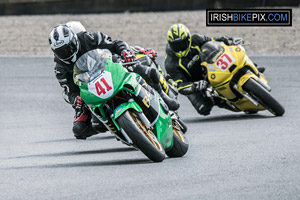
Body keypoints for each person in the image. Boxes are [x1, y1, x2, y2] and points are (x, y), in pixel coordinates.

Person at [49, 21, 178, 139]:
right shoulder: (60, 68)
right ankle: (119, 128)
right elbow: (69, 91)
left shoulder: (89, 38)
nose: (66, 53)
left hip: (110, 68)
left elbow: (115, 44)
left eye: (68, 48)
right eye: (61, 51)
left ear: (74, 40)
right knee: (79, 129)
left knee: (145, 71)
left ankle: (163, 97)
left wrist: (125, 52)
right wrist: (76, 99)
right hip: (91, 90)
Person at [164, 23, 265, 116]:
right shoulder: (170, 63)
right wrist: (195, 86)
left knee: (231, 51)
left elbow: (213, 41)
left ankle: (250, 67)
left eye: (182, 44)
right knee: (203, 108)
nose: (180, 49)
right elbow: (180, 86)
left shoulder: (196, 39)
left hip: (209, 66)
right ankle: (220, 101)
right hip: (194, 82)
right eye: (175, 45)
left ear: (188, 39)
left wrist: (230, 40)